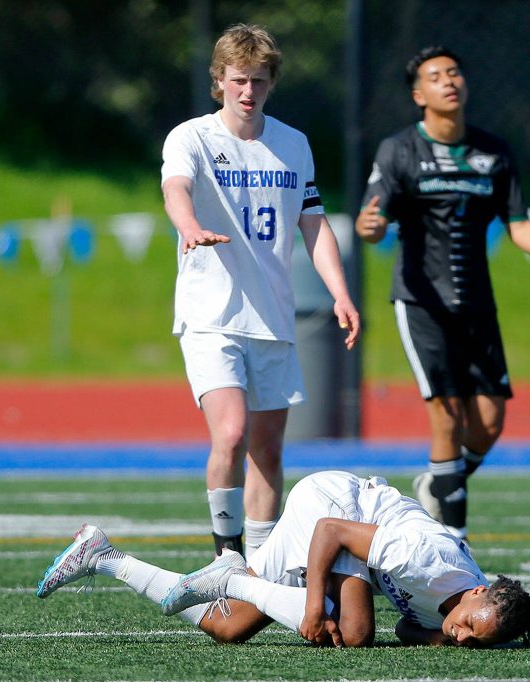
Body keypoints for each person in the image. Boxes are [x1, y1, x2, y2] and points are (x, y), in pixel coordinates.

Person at [355, 46, 530, 541]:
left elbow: (520, 228)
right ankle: (454, 548)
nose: (449, 81)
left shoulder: (493, 152)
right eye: (435, 76)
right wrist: (368, 226)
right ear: (418, 93)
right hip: (421, 302)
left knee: (489, 422)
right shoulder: (399, 149)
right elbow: (372, 220)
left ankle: (437, 483)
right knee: (446, 415)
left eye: (454, 73)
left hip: (476, 304)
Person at [161, 24, 360, 557]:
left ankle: (260, 569)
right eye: (238, 80)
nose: (249, 92)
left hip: (272, 317)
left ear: (272, 83)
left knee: (268, 452)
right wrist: (188, 227)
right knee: (230, 434)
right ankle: (226, 558)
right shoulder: (192, 137)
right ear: (219, 81)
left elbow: (313, 225)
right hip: (211, 314)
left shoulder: (293, 144)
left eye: (260, 81)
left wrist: (340, 294)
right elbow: (175, 188)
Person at [35, 470, 530, 648]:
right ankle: (233, 577)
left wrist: (439, 635)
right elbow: (332, 531)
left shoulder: (457, 608)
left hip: (347, 536)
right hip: (332, 508)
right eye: (468, 624)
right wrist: (313, 604)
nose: (463, 635)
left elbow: (406, 630)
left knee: (230, 629)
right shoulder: (426, 559)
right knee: (351, 632)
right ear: (474, 592)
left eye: (474, 639)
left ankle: (104, 557)